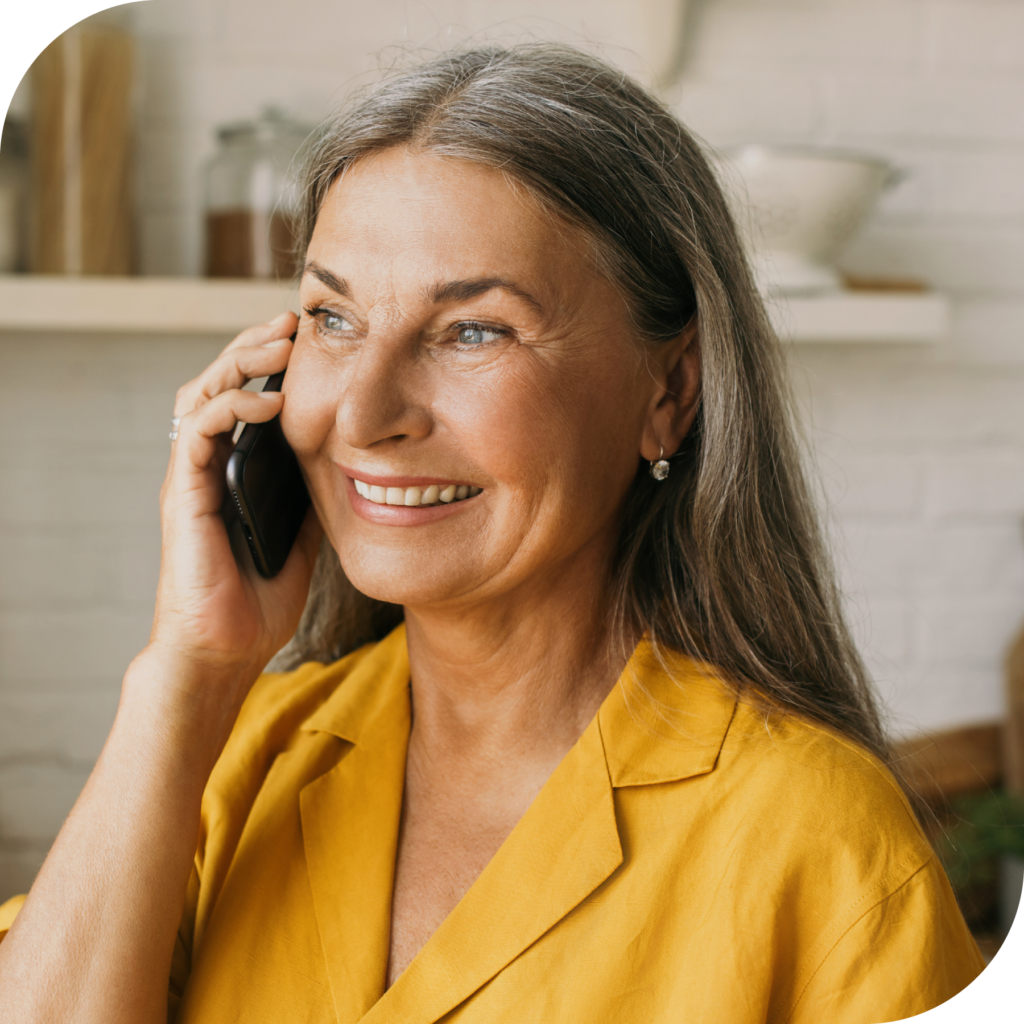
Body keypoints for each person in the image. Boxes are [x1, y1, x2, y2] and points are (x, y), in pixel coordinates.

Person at [0, 44, 1005, 1023]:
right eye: (333, 318)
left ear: (670, 391)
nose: (361, 416)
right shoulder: (236, 754)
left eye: (473, 330)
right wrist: (187, 672)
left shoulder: (820, 841)